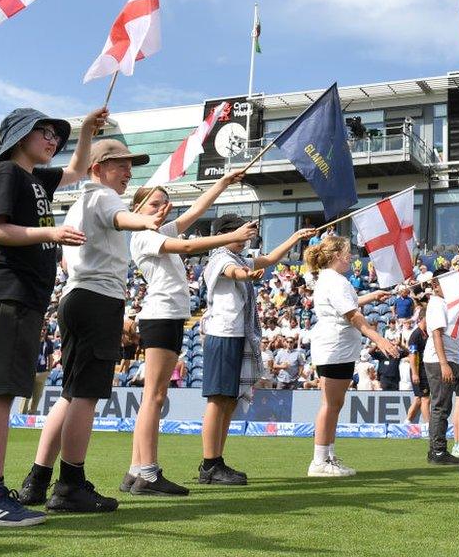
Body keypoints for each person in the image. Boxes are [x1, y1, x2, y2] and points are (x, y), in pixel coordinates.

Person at [0, 107, 105, 527]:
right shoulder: (7, 174)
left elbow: (76, 169)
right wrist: (49, 233)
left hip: (21, 296)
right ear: (18, 136)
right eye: (44, 132)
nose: (52, 140)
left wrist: (85, 130)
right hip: (9, 292)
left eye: (56, 134)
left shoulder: (35, 178)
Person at [17, 138, 169, 513]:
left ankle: (38, 480)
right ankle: (70, 485)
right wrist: (147, 220)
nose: (129, 172)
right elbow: (122, 217)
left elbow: (69, 262)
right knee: (84, 396)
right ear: (97, 169)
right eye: (120, 165)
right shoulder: (103, 197)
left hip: (77, 296)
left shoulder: (77, 206)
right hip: (97, 299)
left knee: (70, 394)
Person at [121, 174, 256, 497]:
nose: (162, 209)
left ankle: (135, 470)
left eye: (164, 203)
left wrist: (222, 183)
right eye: (154, 203)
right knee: (154, 397)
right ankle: (148, 472)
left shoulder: (153, 231)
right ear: (137, 208)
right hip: (162, 315)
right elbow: (188, 245)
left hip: (166, 315)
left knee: (152, 397)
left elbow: (193, 212)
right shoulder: (144, 236)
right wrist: (230, 237)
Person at [198, 215, 315, 486]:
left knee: (227, 400)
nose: (249, 236)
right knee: (218, 400)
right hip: (223, 334)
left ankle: (215, 460)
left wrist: (294, 238)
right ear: (229, 233)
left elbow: (271, 259)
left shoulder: (238, 258)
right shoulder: (220, 258)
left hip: (236, 334)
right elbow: (233, 273)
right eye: (244, 231)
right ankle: (209, 464)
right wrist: (247, 275)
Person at [304, 236, 397, 476]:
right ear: (337, 256)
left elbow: (348, 305)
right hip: (335, 347)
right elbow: (352, 315)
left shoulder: (330, 279)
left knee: (333, 404)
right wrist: (379, 339)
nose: (351, 257)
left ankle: (327, 456)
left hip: (335, 347)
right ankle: (320, 461)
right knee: (331, 404)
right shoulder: (335, 281)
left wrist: (372, 296)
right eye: (347, 253)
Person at [424, 270, 459, 465]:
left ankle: (439, 450)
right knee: (441, 406)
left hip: (452, 358)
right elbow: (436, 334)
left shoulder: (449, 303)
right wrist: (443, 363)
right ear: (436, 285)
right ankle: (438, 451)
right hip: (440, 360)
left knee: (447, 405)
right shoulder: (437, 303)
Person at [405, 311, 431, 424]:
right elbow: (412, 355)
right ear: (421, 319)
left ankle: (407, 421)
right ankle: (428, 426)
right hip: (419, 370)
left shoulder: (427, 333)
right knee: (426, 398)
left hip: (425, 369)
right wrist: (415, 373)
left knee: (419, 399)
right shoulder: (416, 335)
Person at [20, 328, 54, 415]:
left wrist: (49, 370)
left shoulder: (48, 342)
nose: (43, 331)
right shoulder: (32, 339)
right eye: (41, 329)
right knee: (26, 396)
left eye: (45, 330)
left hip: (42, 373)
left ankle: (31, 416)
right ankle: (22, 416)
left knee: (37, 397)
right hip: (30, 372)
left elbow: (50, 357)